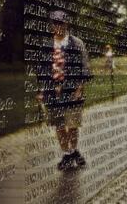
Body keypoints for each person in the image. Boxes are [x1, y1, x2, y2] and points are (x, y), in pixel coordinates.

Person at [37, 10, 92, 170]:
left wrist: (80, 88)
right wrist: (41, 90)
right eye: (55, 23)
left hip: (72, 91)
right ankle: (68, 154)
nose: (58, 26)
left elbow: (85, 67)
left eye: (60, 23)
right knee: (59, 125)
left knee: (72, 124)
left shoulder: (77, 43)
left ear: (66, 24)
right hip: (52, 93)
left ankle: (73, 150)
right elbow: (41, 70)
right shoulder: (46, 45)